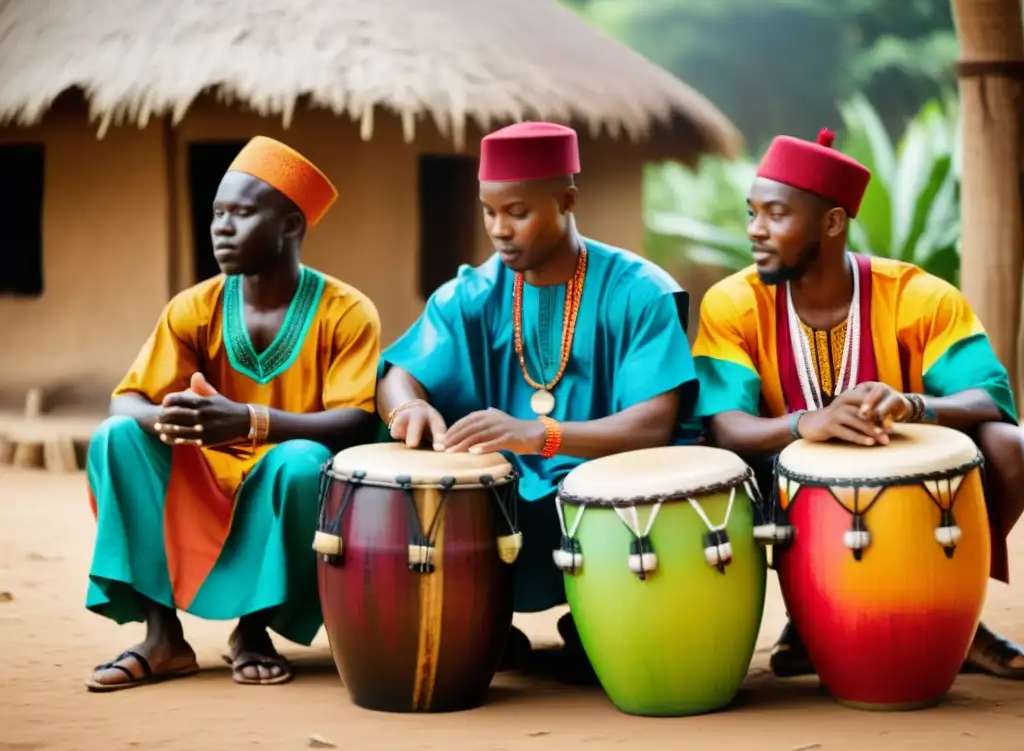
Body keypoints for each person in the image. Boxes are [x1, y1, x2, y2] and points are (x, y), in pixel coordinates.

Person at [692, 128, 1024, 680]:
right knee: (725, 467)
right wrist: (806, 424)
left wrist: (915, 405)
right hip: (780, 472)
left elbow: (989, 396)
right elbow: (726, 427)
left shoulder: (916, 295)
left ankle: (957, 618)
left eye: (775, 215)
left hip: (910, 475)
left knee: (1011, 448)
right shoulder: (734, 303)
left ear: (831, 222)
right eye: (752, 213)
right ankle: (807, 615)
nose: (755, 231)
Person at [376, 121, 699, 673]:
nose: (499, 229)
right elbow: (399, 374)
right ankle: (482, 619)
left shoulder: (638, 290)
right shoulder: (472, 294)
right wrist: (409, 406)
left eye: (518, 212)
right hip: (501, 503)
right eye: (488, 211)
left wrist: (540, 435)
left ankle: (600, 616)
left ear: (567, 200)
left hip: (608, 501)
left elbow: (655, 425)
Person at [84, 136, 381, 691]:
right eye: (217, 213)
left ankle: (253, 631)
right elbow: (126, 399)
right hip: (202, 479)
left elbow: (356, 420)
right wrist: (175, 421)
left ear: (292, 225)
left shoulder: (346, 311)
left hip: (287, 487)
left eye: (241, 214)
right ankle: (162, 637)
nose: (221, 227)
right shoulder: (195, 307)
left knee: (301, 461)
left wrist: (250, 421)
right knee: (115, 436)